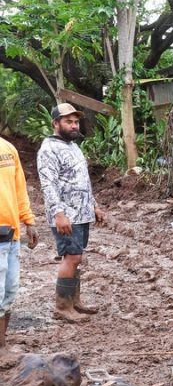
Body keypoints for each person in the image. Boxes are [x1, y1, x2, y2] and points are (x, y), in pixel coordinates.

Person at [37, 103, 106, 323]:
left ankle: (75, 301)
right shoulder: (49, 149)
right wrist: (58, 214)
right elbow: (48, 186)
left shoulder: (74, 147)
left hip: (81, 213)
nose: (74, 125)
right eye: (68, 121)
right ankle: (63, 306)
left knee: (77, 258)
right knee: (72, 257)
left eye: (76, 121)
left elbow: (82, 181)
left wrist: (94, 205)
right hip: (66, 215)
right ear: (55, 123)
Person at [0, 136, 38, 363]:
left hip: (11, 235)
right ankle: (1, 349)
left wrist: (29, 220)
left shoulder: (7, 148)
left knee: (10, 290)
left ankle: (2, 343)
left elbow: (19, 189)